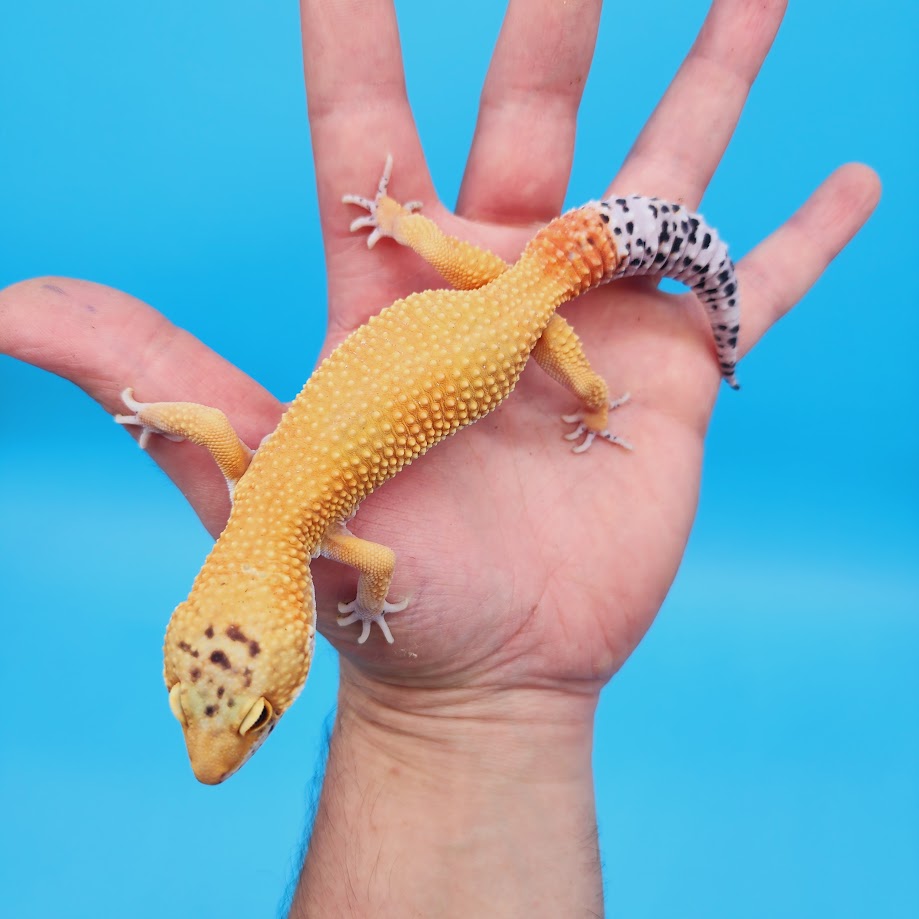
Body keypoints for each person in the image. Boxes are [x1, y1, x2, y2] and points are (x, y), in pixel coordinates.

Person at [0, 0, 879, 914]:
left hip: (518, 319)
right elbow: (212, 431)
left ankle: (621, 371)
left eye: (242, 715)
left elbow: (374, 563)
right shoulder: (250, 481)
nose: (215, 753)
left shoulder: (307, 529)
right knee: (508, 282)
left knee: (558, 336)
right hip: (485, 298)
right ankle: (522, 285)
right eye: (228, 713)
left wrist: (582, 400)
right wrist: (158, 412)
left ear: (203, 623)